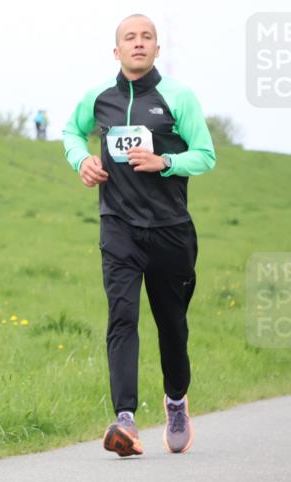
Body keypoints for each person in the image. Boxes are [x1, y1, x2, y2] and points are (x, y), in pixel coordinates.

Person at [62, 14, 215, 458]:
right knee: (122, 317)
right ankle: (125, 420)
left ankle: (175, 402)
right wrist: (81, 161)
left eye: (147, 37)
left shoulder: (178, 97)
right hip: (119, 227)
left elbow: (205, 155)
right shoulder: (100, 98)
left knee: (172, 326)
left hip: (170, 230)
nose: (139, 43)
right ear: (117, 51)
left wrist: (166, 163)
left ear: (156, 49)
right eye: (130, 37)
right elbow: (71, 132)